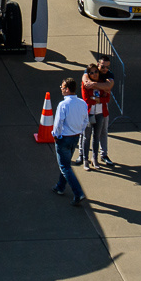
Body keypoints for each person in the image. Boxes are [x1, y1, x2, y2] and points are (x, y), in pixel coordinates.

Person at [49, 77, 87, 206]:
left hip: (64, 138)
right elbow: (85, 121)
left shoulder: (63, 104)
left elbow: (58, 122)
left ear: (67, 89)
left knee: (65, 166)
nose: (61, 88)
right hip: (75, 137)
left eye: (62, 86)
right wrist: (79, 131)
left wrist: (55, 135)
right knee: (65, 164)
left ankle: (78, 193)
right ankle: (60, 186)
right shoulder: (82, 103)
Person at [79, 60, 115, 168]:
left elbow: (107, 96)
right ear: (98, 65)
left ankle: (96, 158)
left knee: (98, 135)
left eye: (107, 67)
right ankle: (83, 157)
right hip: (89, 113)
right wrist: (98, 99)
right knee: (86, 136)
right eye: (102, 67)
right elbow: (86, 98)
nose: (105, 69)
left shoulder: (106, 78)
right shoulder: (87, 78)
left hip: (101, 112)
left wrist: (95, 87)